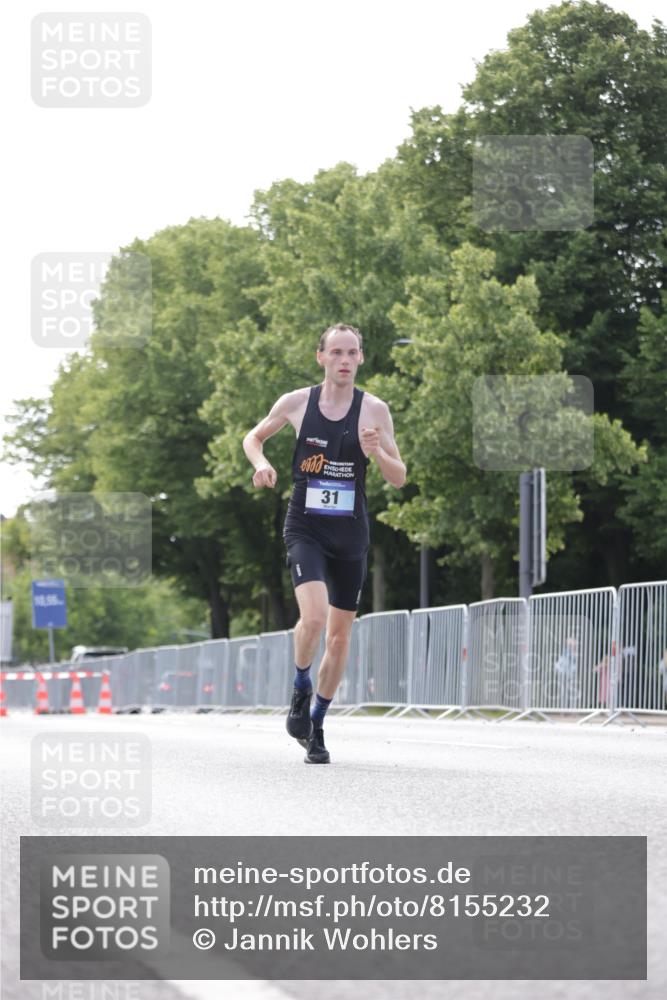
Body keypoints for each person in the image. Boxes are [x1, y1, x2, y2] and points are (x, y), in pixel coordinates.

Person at [243, 323, 406, 763]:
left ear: (361, 358)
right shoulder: (297, 402)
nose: (345, 360)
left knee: (339, 638)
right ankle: (300, 686)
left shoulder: (374, 410)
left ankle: (316, 723)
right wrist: (260, 464)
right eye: (336, 352)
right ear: (321, 357)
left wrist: (378, 454)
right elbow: (253, 436)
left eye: (352, 352)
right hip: (306, 526)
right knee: (312, 619)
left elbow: (399, 475)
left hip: (350, 533)